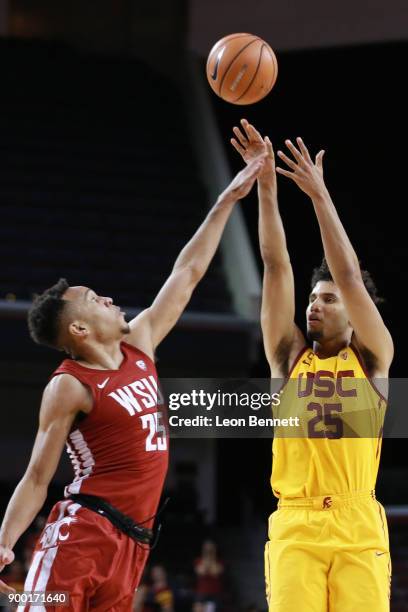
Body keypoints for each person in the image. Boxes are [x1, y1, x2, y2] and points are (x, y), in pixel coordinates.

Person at [0, 154, 266, 611]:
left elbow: (187, 274)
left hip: (134, 543)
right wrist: (4, 542)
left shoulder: (139, 343)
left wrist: (226, 200)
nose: (106, 297)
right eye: (92, 300)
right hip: (82, 535)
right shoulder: (69, 385)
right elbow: (38, 476)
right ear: (79, 331)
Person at [231, 120, 393, 611]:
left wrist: (320, 197)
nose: (314, 306)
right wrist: (265, 183)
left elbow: (348, 274)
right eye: (312, 299)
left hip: (357, 522)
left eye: (327, 300)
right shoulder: (287, 357)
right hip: (296, 523)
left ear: (353, 311)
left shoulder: (373, 358)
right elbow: (275, 263)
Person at [193, 540, 224, 612]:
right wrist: (205, 556)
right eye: (206, 549)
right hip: (201, 593)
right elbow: (201, 572)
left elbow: (215, 572)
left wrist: (212, 556)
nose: (208, 551)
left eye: (211, 549)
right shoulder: (198, 560)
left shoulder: (220, 562)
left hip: (215, 594)